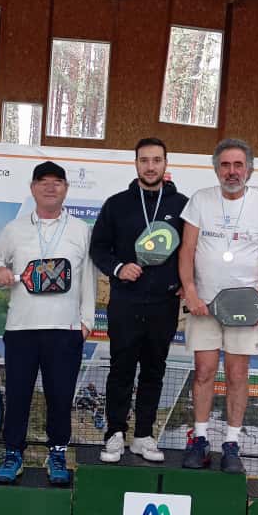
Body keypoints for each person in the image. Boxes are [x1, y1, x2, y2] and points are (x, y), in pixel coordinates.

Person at [0, 161, 96, 485]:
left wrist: (86, 321)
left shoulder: (81, 230)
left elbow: (89, 278)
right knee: (18, 396)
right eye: (43, 181)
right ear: (33, 188)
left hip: (65, 331)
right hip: (21, 329)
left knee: (60, 398)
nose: (50, 187)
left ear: (66, 188)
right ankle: (13, 454)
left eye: (57, 181)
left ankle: (58, 454)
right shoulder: (14, 229)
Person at [178, 138, 258, 473]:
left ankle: (232, 444)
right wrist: (191, 292)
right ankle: (200, 439)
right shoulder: (200, 200)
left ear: (249, 169)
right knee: (204, 372)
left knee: (237, 375)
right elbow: (186, 250)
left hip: (244, 309)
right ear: (216, 169)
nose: (231, 171)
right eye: (225, 165)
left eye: (238, 165)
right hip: (203, 306)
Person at [90, 138, 187, 463]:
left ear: (165, 163)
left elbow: (193, 250)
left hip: (164, 303)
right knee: (121, 369)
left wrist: (185, 282)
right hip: (125, 302)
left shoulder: (183, 206)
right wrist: (119, 268)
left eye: (156, 160)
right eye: (144, 160)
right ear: (135, 164)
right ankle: (114, 433)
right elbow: (98, 248)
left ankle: (144, 435)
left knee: (154, 371)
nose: (150, 166)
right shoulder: (117, 204)